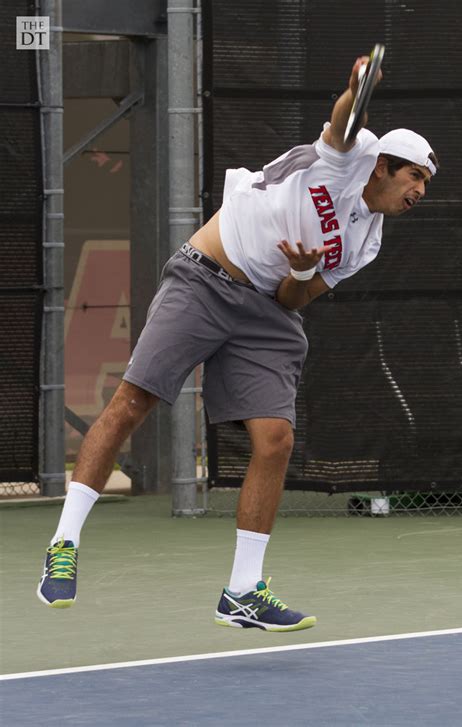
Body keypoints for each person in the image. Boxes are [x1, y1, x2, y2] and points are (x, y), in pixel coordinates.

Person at [37, 56, 438, 631]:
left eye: (425, 182)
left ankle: (243, 591)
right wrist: (356, 88)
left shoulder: (366, 242)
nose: (420, 191)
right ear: (382, 168)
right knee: (132, 404)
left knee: (274, 440)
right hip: (204, 278)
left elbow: (292, 302)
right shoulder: (350, 159)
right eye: (415, 177)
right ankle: (64, 543)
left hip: (265, 311)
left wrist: (301, 272)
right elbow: (344, 125)